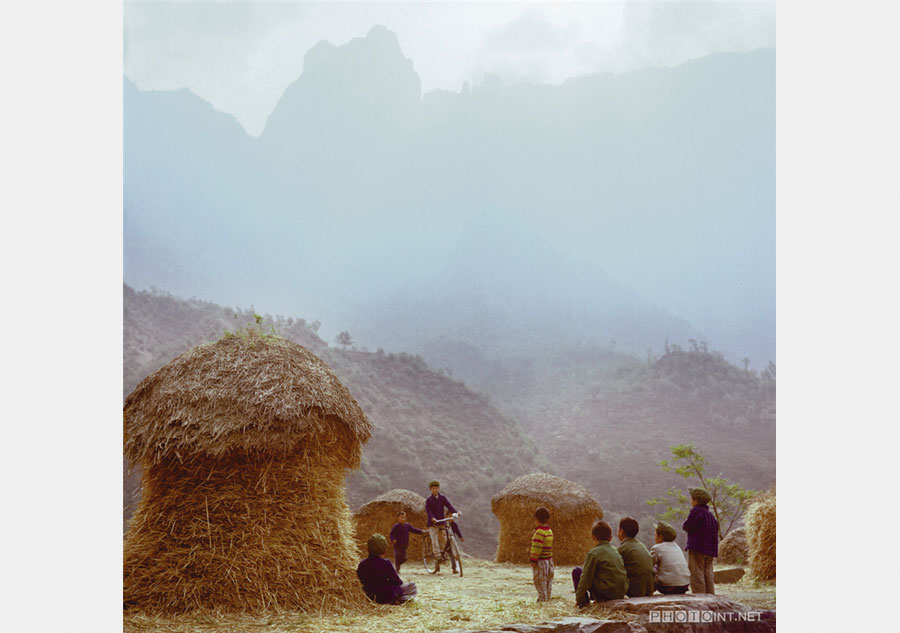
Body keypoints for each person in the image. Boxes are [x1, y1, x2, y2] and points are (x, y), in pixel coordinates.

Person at [572, 520, 628, 607]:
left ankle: (584, 603)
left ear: (593, 537)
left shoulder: (593, 553)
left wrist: (578, 599)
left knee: (577, 571)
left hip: (605, 594)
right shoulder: (615, 550)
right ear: (610, 538)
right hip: (619, 593)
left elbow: (585, 579)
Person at [356, 533, 418, 604]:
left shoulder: (362, 564)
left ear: (368, 549)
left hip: (370, 596)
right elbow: (398, 581)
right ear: (384, 550)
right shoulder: (386, 563)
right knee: (412, 585)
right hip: (386, 596)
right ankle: (399, 600)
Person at [682, 487, 719, 594]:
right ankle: (710, 597)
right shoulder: (711, 515)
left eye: (691, 498)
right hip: (710, 551)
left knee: (696, 574)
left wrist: (685, 522)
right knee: (708, 574)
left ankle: (700, 598)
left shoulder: (696, 512)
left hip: (697, 548)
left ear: (696, 500)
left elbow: (687, 527)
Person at [424, 480, 462, 573]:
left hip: (441, 522)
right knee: (434, 539)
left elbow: (449, 506)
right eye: (433, 488)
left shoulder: (442, 498)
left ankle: (442, 554)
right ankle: (437, 555)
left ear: (438, 488)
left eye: (436, 488)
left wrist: (455, 512)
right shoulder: (428, 500)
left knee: (444, 539)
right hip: (433, 523)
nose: (435, 490)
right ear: (430, 489)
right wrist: (432, 518)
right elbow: (428, 511)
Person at [616, 517, 654, 597]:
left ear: (621, 531)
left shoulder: (622, 549)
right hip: (649, 589)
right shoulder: (641, 545)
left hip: (635, 591)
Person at [650, 521, 690, 595]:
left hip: (668, 586)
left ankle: (648, 593)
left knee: (648, 571)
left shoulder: (657, 548)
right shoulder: (677, 547)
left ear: (661, 536)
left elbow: (648, 565)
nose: (654, 537)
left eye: (655, 535)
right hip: (684, 585)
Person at [530, 506, 554, 602]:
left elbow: (537, 548)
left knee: (540, 581)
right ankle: (547, 598)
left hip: (541, 561)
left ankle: (542, 600)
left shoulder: (539, 533)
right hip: (549, 561)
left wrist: (533, 560)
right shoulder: (549, 531)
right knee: (548, 581)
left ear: (536, 519)